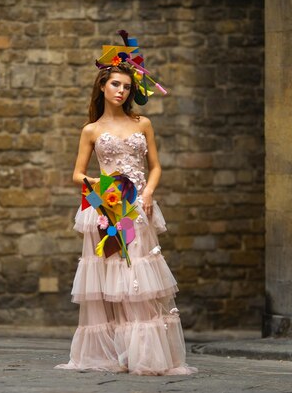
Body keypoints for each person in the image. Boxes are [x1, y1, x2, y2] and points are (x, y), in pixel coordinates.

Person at [55, 37, 198, 376]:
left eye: (126, 86)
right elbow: (77, 174)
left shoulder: (142, 124)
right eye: (115, 84)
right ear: (102, 86)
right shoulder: (91, 130)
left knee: (138, 277)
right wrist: (101, 188)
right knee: (109, 277)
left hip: (137, 208)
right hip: (105, 207)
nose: (121, 91)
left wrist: (147, 193)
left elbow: (157, 166)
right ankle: (113, 354)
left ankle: (145, 356)